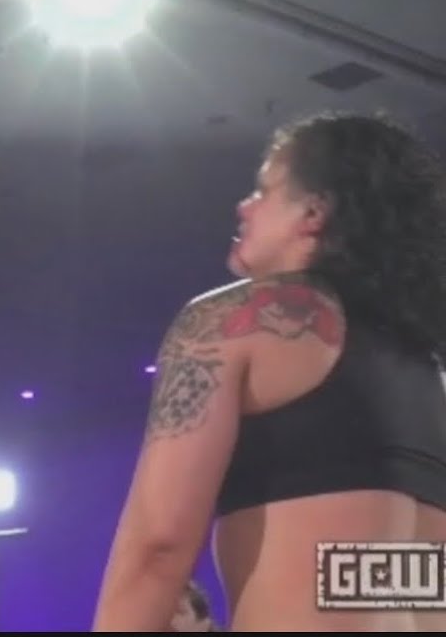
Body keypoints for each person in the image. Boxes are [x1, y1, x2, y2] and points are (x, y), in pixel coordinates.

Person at [92, 111, 446, 631]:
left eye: (263, 191)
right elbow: (407, 578)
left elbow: (159, 544)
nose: (245, 206)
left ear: (314, 212)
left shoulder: (237, 320)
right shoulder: (427, 370)